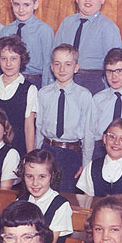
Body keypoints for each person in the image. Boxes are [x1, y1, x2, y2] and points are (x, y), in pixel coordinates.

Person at [36, 44, 93, 192]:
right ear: (51, 67)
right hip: (48, 150)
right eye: (57, 64)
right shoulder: (43, 93)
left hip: (71, 154)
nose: (62, 69)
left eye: (68, 64)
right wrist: (36, 156)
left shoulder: (84, 95)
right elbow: (38, 128)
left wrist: (86, 164)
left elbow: (88, 133)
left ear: (76, 67)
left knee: (67, 196)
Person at [53, 0, 121, 95]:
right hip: (64, 80)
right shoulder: (66, 23)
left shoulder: (108, 27)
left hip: (93, 82)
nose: (88, 0)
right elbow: (54, 57)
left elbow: (114, 65)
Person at [0, 36, 38, 155]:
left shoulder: (29, 89)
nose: (8, 63)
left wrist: (29, 157)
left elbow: (29, 127)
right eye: (4, 58)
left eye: (13, 58)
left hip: (18, 150)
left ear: (21, 60)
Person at [77, 118, 122, 205]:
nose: (116, 142)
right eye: (112, 136)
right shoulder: (92, 166)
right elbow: (85, 204)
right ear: (105, 138)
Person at [0, 0, 54, 88]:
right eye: (16, 4)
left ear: (35, 4)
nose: (21, 10)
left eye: (26, 5)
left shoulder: (44, 30)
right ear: (11, 3)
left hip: (34, 80)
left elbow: (48, 64)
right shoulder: (6, 30)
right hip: (9, 80)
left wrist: (45, 89)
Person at [16, 149, 73, 243]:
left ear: (52, 176)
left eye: (42, 176)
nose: (35, 183)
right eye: (29, 176)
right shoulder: (19, 201)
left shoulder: (60, 205)